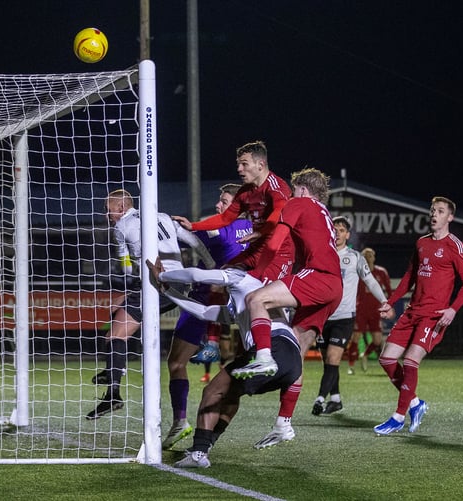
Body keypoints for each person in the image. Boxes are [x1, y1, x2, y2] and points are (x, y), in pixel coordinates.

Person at [145, 260, 301, 468]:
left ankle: (199, 452)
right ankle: (205, 445)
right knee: (231, 394)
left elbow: (197, 276)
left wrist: (163, 276)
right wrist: (167, 290)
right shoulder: (241, 301)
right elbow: (202, 312)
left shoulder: (242, 279)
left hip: (274, 347)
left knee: (213, 391)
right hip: (292, 360)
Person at [86, 189, 215, 420]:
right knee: (116, 332)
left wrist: (132, 276)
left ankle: (113, 391)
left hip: (156, 286)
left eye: (108, 211)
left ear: (121, 209)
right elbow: (194, 241)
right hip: (179, 282)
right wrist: (211, 265)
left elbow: (126, 265)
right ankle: (112, 375)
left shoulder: (121, 227)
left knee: (116, 336)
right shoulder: (164, 217)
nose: (107, 215)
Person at [173, 140, 295, 369]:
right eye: (238, 164)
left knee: (261, 296)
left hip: (278, 252)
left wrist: (262, 231)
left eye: (243, 164)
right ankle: (217, 339)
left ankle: (277, 349)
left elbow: (279, 215)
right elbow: (225, 218)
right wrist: (193, 225)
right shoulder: (246, 192)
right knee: (224, 275)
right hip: (256, 249)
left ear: (261, 164)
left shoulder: (277, 188)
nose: (239, 169)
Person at [247, 168, 343, 448]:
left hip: (319, 276)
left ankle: (263, 357)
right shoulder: (322, 211)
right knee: (297, 349)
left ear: (301, 189)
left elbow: (276, 243)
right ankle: (283, 423)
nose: (289, 194)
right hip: (334, 285)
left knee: (256, 299)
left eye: (293, 189)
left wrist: (259, 272)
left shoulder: (297, 202)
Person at [162, 183, 252, 449]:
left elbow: (185, 235)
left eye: (224, 202)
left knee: (177, 363)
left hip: (204, 298)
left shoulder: (220, 229)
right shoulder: (253, 230)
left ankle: (181, 421)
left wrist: (159, 224)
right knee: (237, 379)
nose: (218, 206)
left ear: (237, 206)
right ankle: (209, 437)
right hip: (241, 303)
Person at [374, 196, 463, 435]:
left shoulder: (456, 246)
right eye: (432, 210)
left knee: (410, 361)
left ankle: (398, 417)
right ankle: (416, 404)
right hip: (412, 312)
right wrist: (390, 301)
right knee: (386, 360)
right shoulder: (421, 243)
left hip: (434, 316)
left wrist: (452, 309)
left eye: (440, 211)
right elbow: (409, 278)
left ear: (450, 217)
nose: (434, 214)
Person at [311, 218, 391, 416]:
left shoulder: (355, 257)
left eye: (341, 230)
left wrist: (384, 301)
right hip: (323, 317)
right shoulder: (321, 255)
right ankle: (336, 399)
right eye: (334, 229)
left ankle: (320, 399)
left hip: (344, 318)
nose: (337, 233)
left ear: (347, 235)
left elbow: (370, 282)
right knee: (328, 362)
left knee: (332, 358)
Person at [346, 247, 394, 374]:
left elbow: (389, 290)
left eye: (370, 255)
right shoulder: (356, 271)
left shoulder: (381, 272)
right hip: (360, 309)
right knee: (355, 337)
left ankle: (365, 355)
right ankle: (351, 366)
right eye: (365, 256)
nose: (368, 258)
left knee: (378, 340)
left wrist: (390, 304)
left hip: (375, 310)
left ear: (374, 257)